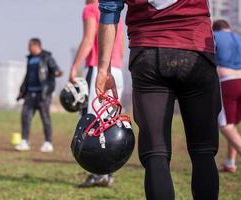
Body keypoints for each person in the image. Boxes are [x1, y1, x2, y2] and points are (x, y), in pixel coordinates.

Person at [96, 1, 220, 199]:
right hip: (195, 50)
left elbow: (109, 11)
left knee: (155, 153)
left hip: (148, 53)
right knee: (203, 150)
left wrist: (103, 68)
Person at [69, 0, 124, 187]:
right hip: (116, 71)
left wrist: (74, 66)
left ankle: (97, 173)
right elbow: (122, 45)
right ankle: (106, 173)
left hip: (98, 70)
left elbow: (88, 38)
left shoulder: (91, 8)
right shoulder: (116, 8)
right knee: (108, 124)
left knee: (92, 123)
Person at [15, 38, 63, 152]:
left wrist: (57, 72)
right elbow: (27, 76)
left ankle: (48, 143)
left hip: (43, 94)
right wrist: (22, 90)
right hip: (30, 94)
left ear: (36, 46)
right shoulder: (30, 59)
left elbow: (54, 68)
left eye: (29, 46)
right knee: (25, 117)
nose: (28, 49)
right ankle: (24, 141)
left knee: (45, 118)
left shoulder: (47, 57)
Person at [214, 20, 241, 173]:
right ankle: (230, 163)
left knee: (225, 126)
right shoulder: (238, 37)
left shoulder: (214, 36)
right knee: (233, 124)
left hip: (227, 82)